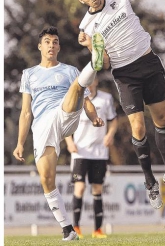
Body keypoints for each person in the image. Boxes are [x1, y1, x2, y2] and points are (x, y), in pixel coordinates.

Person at [73, 0, 165, 210]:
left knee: (162, 119)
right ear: (81, 0)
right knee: (138, 126)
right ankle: (150, 180)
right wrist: (92, 47)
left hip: (148, 62)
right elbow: (105, 64)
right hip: (125, 74)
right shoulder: (87, 26)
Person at [13, 26, 105, 242]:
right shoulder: (29, 75)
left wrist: (93, 118)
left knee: (76, 87)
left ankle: (94, 62)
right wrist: (20, 143)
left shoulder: (69, 70)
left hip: (65, 115)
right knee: (47, 179)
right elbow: (26, 112)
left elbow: (87, 101)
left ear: (59, 47)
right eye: (47, 41)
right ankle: (68, 229)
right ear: (40, 46)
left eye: (55, 42)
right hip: (43, 127)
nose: (51, 45)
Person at [65, 77, 118, 239]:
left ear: (96, 81)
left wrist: (110, 134)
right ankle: (76, 228)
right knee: (79, 188)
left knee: (97, 189)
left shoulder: (106, 99)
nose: (89, 82)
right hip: (80, 152)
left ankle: (97, 230)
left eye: (91, 79)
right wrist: (69, 142)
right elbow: (65, 123)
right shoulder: (75, 98)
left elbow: (113, 120)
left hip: (99, 153)